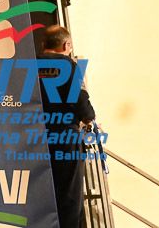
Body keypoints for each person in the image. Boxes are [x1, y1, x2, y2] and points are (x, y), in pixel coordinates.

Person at [38, 25, 96, 228]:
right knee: (69, 197)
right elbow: (80, 100)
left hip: (35, 139)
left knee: (41, 195)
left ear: (43, 44)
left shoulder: (28, 64)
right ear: (66, 45)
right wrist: (89, 118)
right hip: (65, 138)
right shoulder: (68, 66)